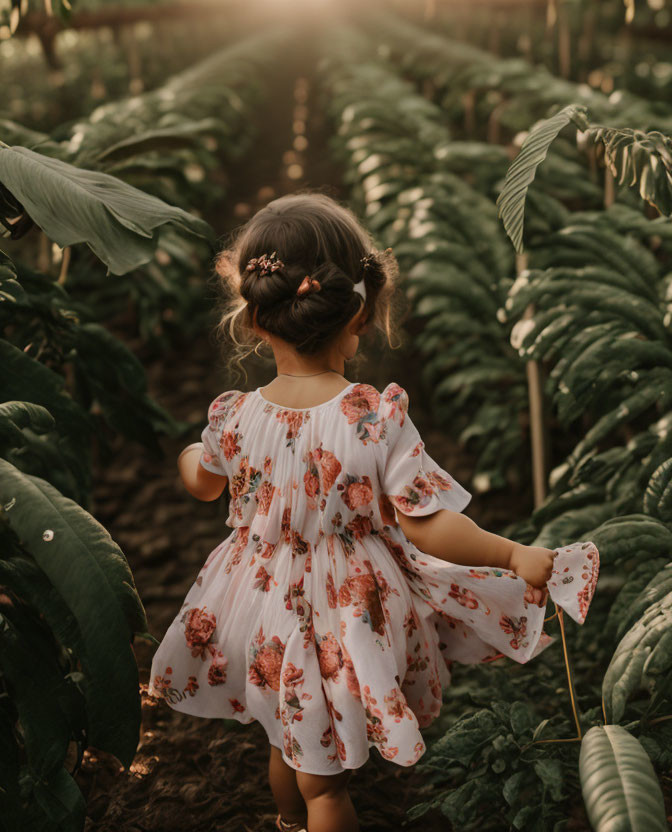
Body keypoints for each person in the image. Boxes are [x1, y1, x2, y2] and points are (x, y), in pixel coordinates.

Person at [148, 192, 599, 832]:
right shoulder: (371, 417)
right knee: (326, 780)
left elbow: (200, 483)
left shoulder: (233, 416)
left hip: (260, 599)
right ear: (358, 312)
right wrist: (511, 553)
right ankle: (314, 816)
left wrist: (193, 453)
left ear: (253, 321)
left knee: (289, 734)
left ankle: (288, 821)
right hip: (345, 605)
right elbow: (425, 520)